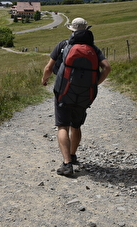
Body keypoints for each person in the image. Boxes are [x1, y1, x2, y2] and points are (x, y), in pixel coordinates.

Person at [41, 17, 111, 176]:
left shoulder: (63, 45)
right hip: (85, 94)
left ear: (71, 30)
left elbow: (48, 68)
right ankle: (72, 156)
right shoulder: (93, 48)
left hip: (63, 93)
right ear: (86, 30)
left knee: (62, 126)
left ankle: (67, 164)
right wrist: (94, 84)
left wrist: (44, 80)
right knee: (76, 126)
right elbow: (107, 68)